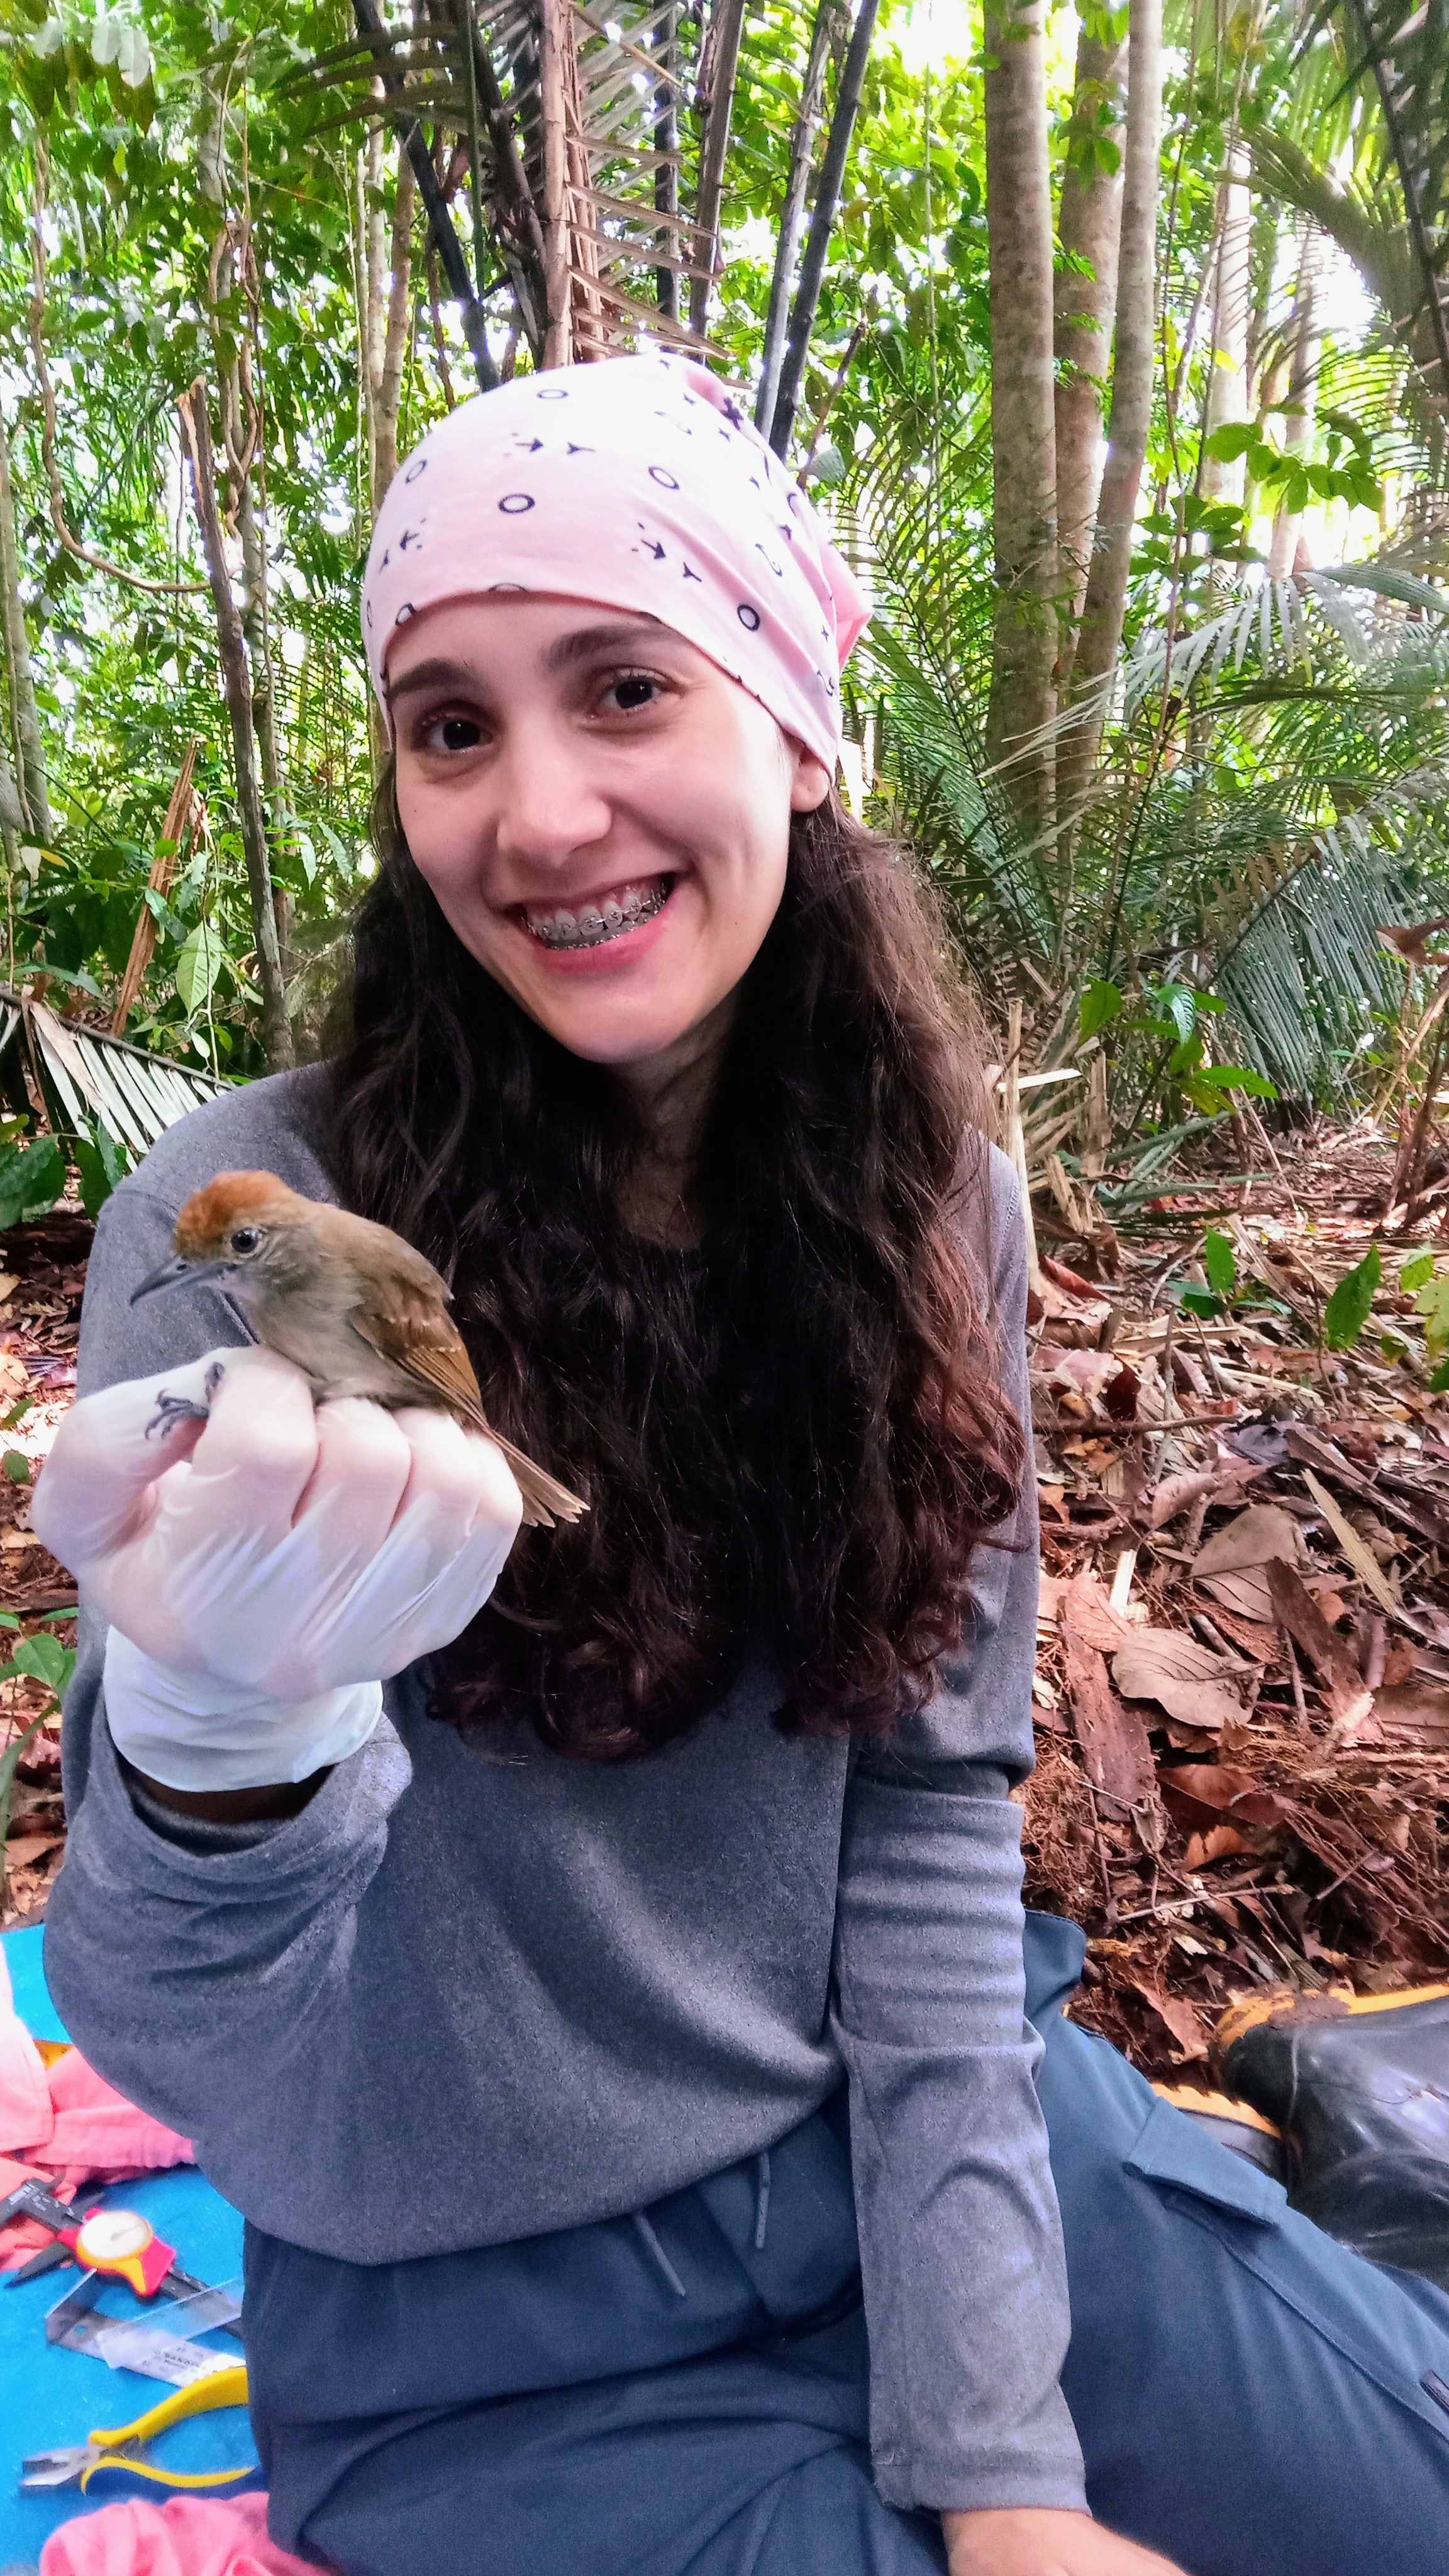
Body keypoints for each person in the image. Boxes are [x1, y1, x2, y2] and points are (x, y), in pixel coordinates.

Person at [33, 358, 1449, 2576]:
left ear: (790, 723)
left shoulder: (930, 1199)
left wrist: (1002, 2461)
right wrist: (219, 1748)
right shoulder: (228, 1219)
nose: (540, 813)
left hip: (936, 2166)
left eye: (624, 686)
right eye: (450, 726)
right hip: (483, 2351)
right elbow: (176, 2021)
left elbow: (929, 1826)